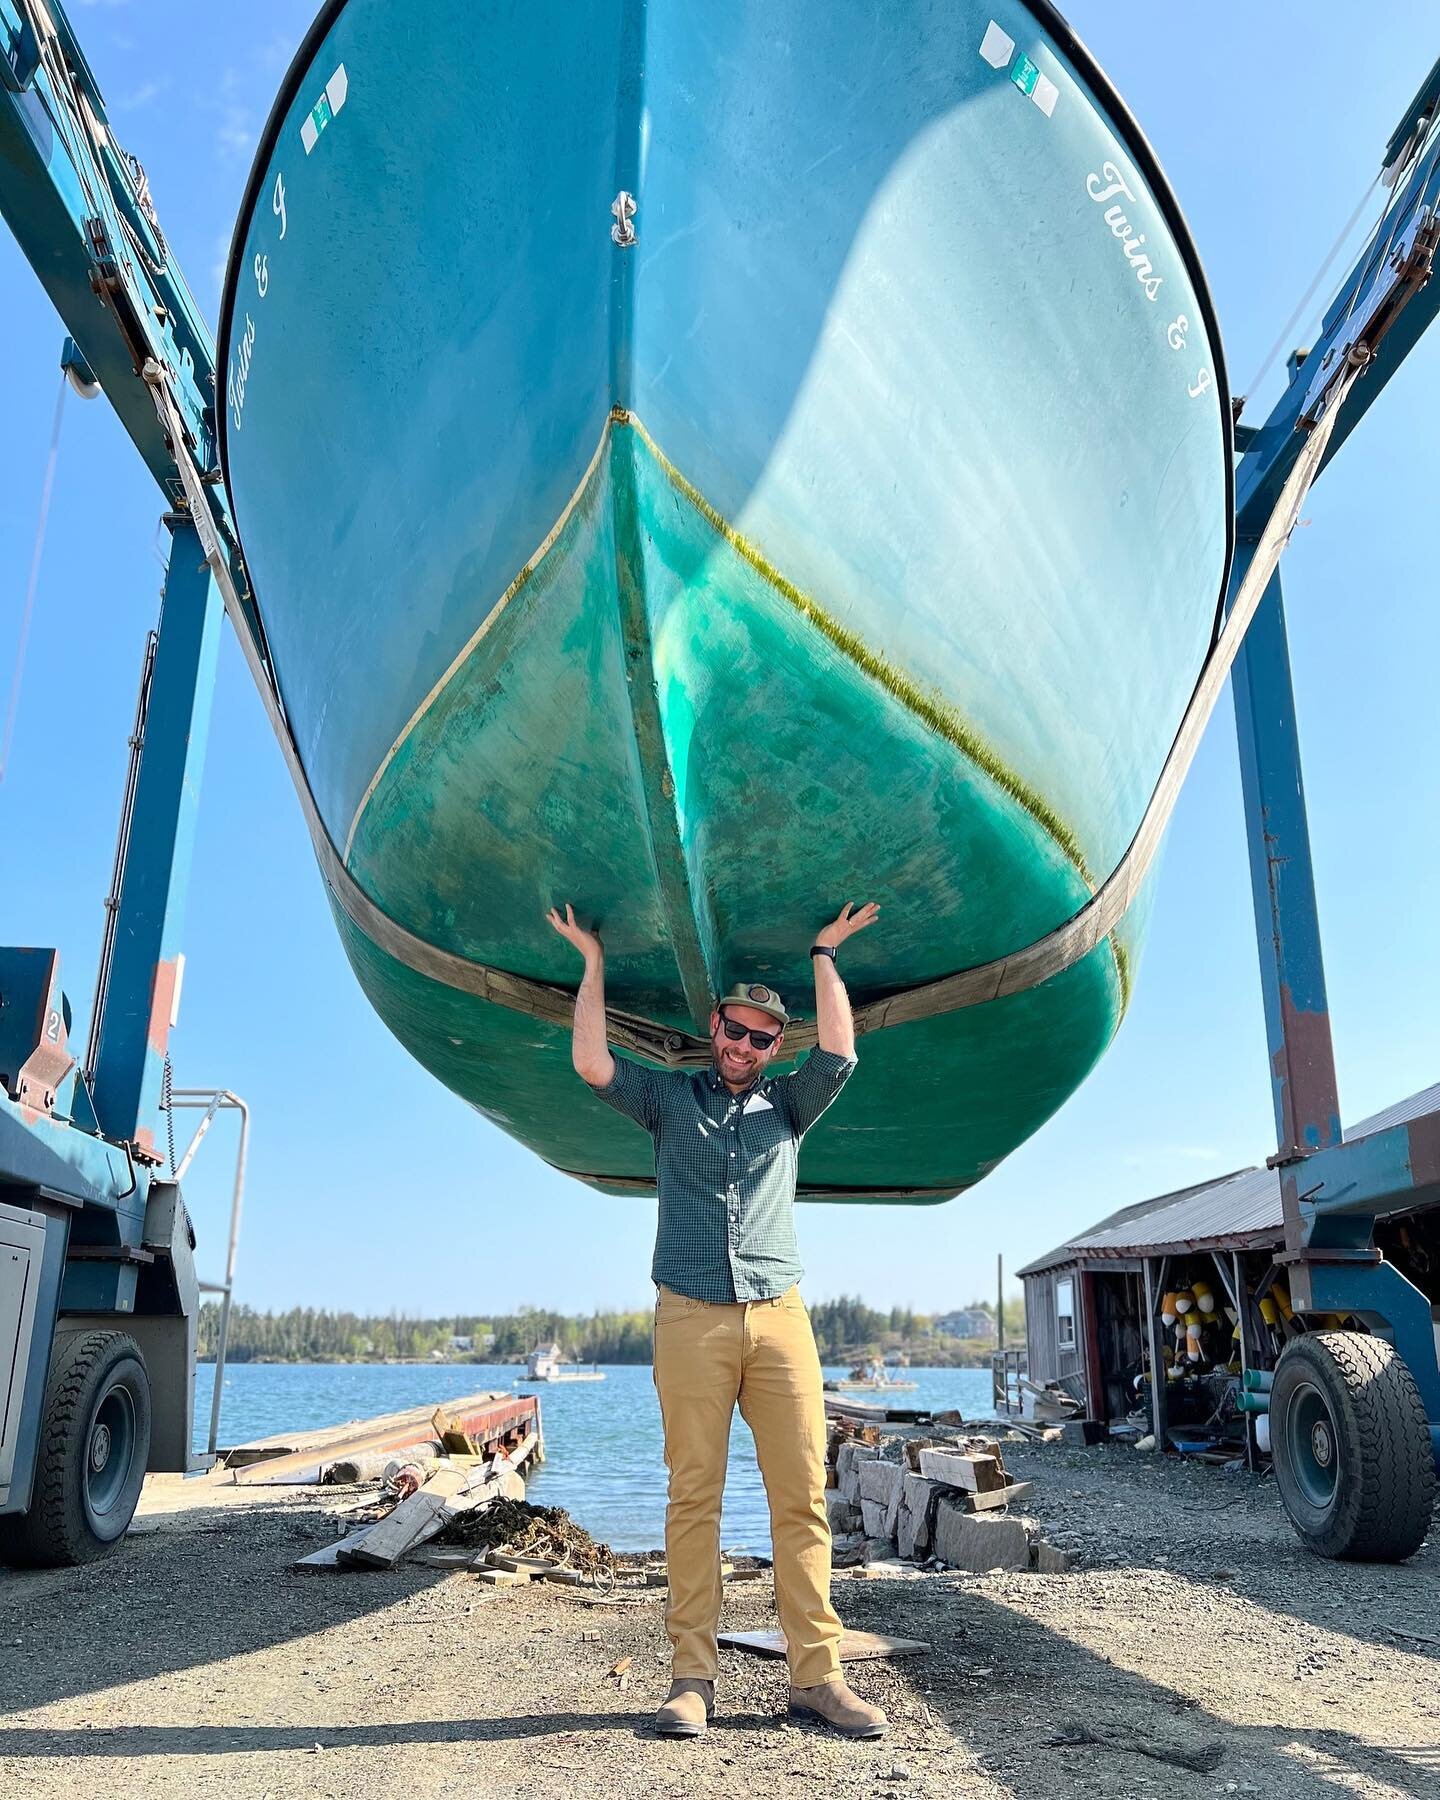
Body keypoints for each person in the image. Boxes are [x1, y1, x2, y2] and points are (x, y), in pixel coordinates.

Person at [545, 899, 888, 1741]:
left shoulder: (789, 1110)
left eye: (760, 1039)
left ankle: (817, 1677)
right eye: (733, 1032)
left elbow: (840, 1051)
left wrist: (823, 952)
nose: (742, 1047)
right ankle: (692, 1679)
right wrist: (592, 960)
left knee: (802, 1497)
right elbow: (592, 1063)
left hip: (780, 1321)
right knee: (692, 1498)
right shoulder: (668, 1101)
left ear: (776, 1047)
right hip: (690, 1320)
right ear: (715, 1028)